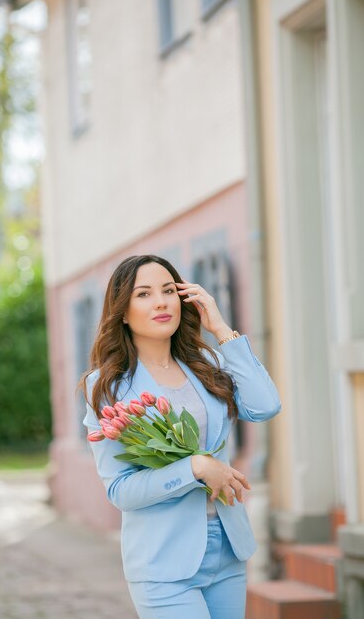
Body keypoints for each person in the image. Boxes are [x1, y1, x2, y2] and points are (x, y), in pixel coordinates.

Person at [80, 253, 282, 619]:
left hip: (227, 548)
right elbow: (120, 491)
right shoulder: (108, 388)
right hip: (163, 561)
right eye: (143, 294)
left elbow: (265, 406)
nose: (160, 301)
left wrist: (221, 329)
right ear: (122, 311)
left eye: (169, 290)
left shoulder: (209, 366)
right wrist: (195, 468)